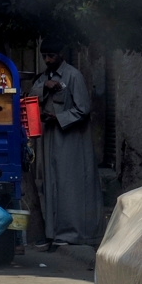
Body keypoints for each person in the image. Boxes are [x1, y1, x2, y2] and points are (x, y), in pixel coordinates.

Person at [29, 42, 101, 250]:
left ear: (61, 53)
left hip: (71, 140)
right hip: (50, 138)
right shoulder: (45, 76)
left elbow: (83, 109)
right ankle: (54, 233)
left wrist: (58, 117)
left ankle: (76, 234)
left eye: (51, 55)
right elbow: (31, 96)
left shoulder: (73, 76)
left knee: (70, 185)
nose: (48, 60)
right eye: (45, 56)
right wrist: (45, 87)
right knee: (52, 185)